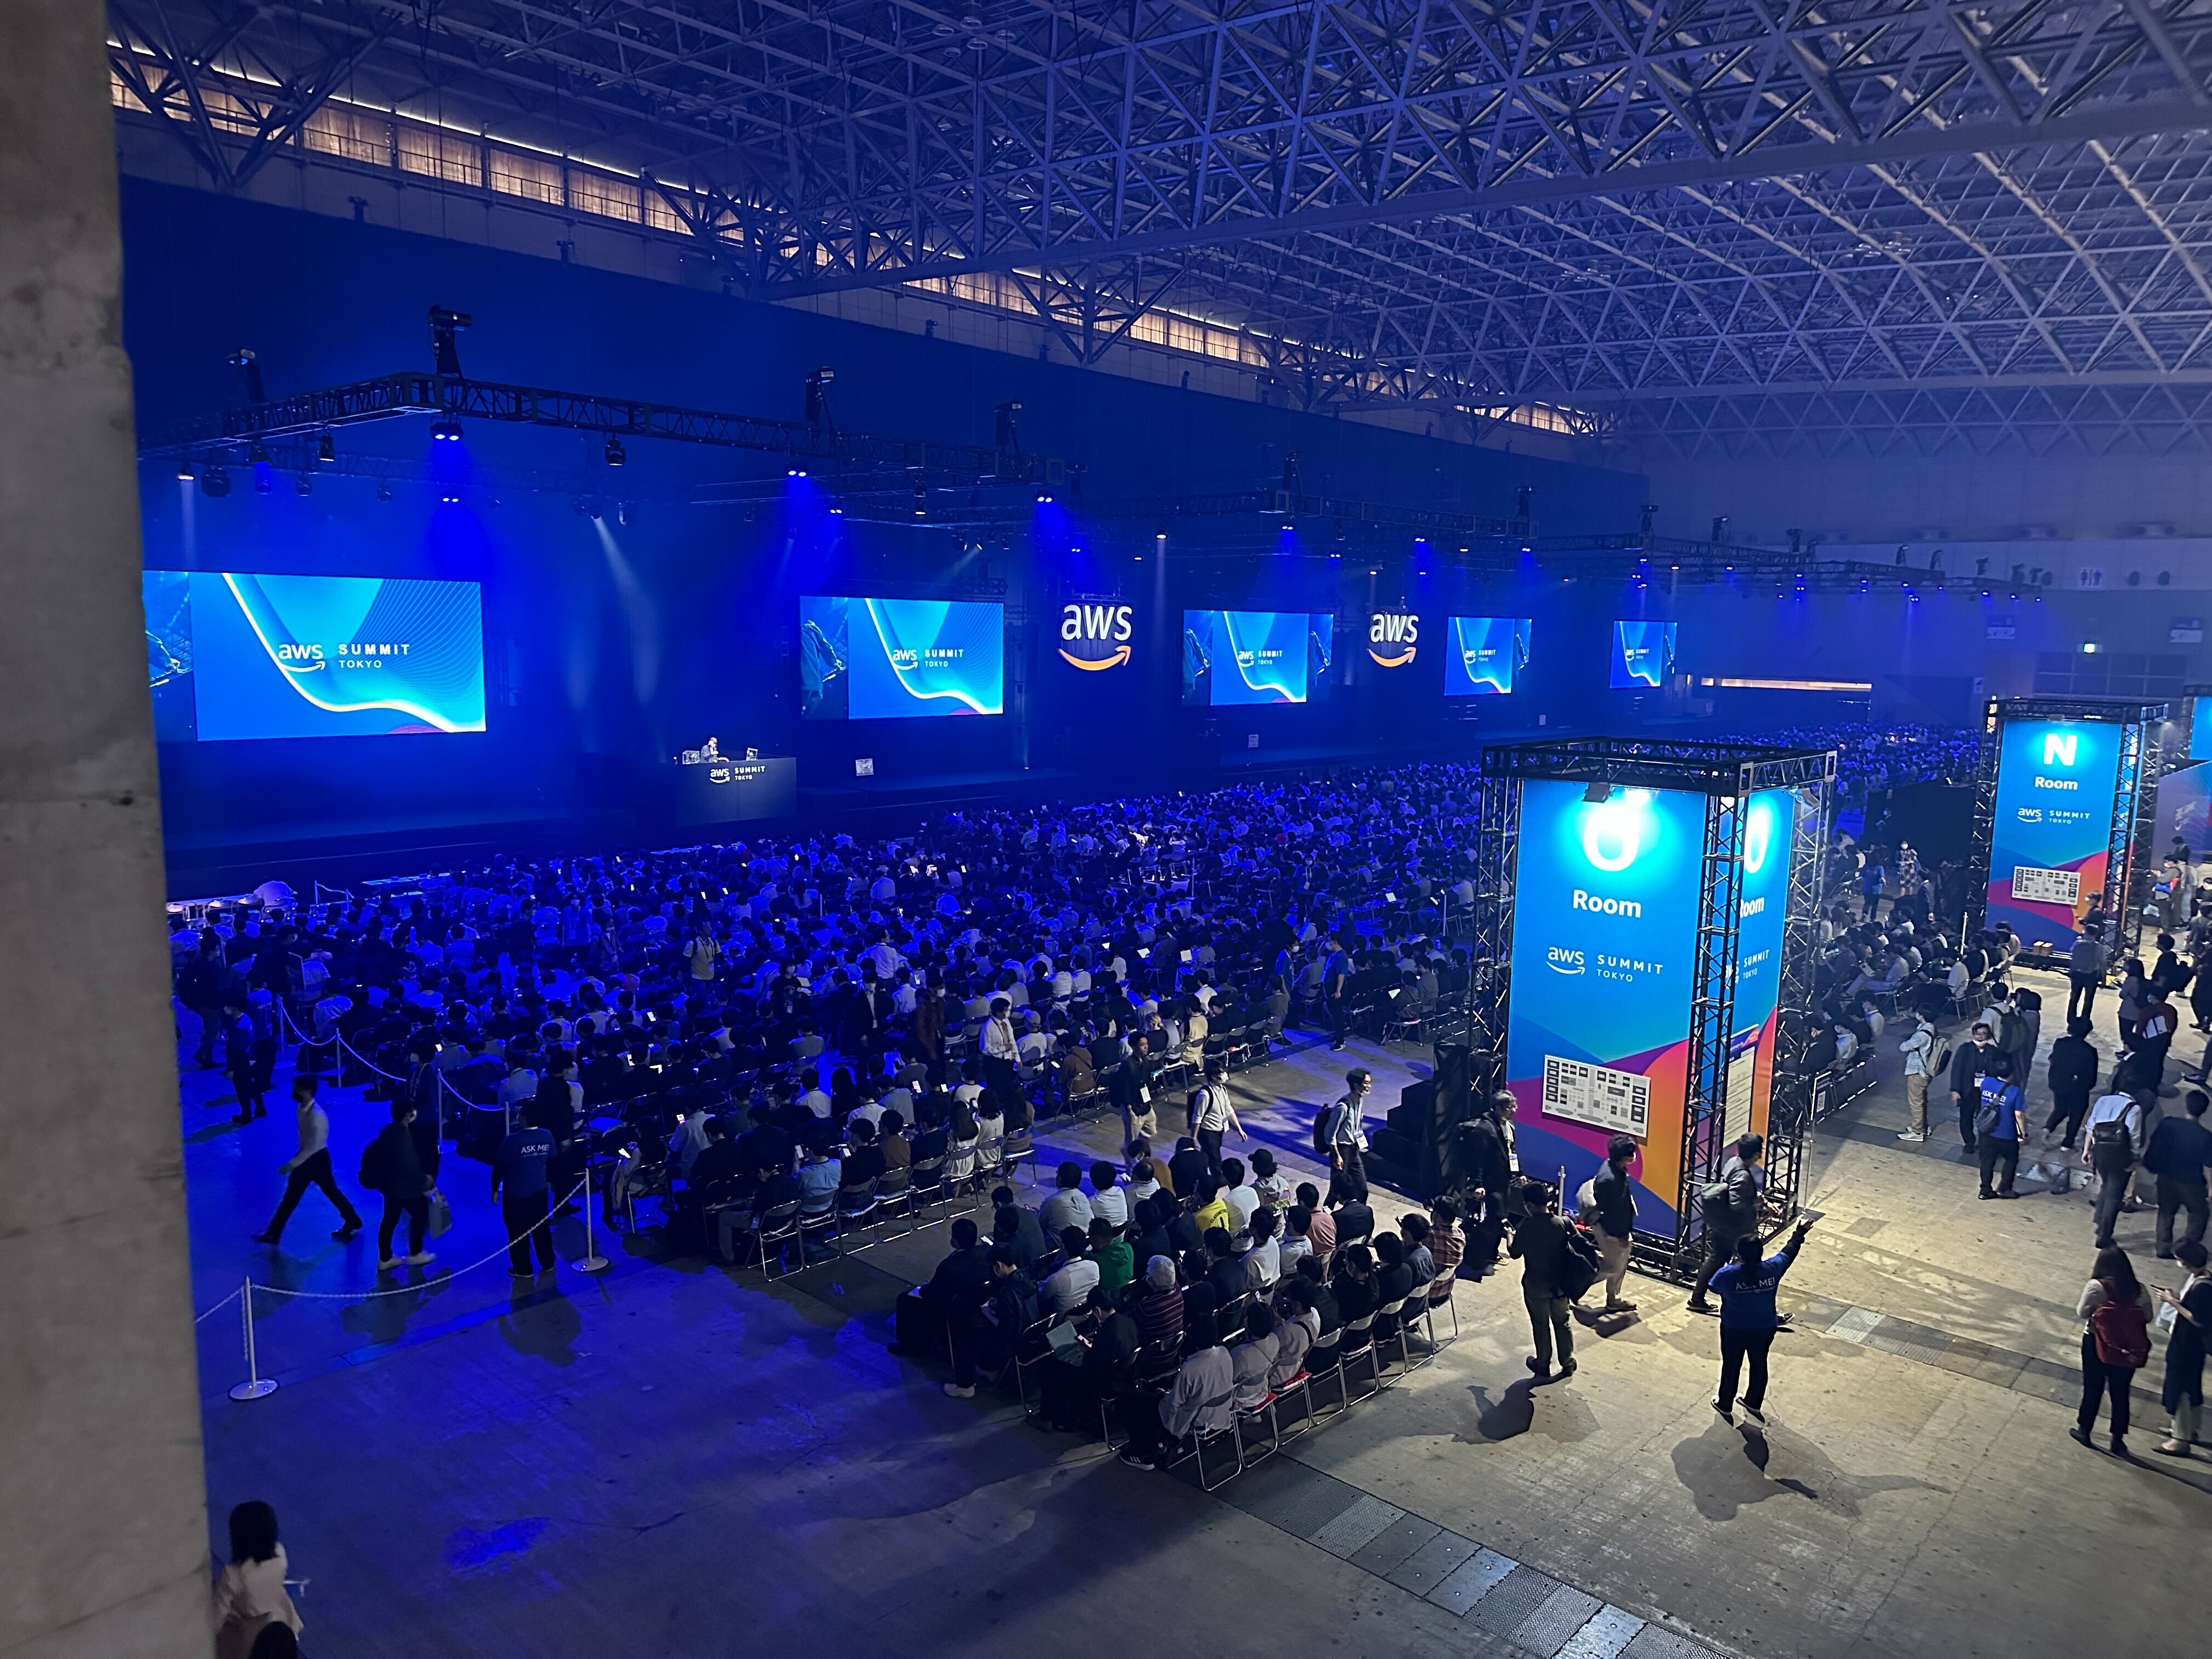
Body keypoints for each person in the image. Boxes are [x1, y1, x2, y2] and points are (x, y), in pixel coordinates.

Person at [1709, 1214, 1815, 1424]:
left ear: (1739, 1253)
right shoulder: (1772, 1269)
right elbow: (1789, 1252)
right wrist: (1800, 1233)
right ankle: (1753, 1402)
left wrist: (1735, 1267)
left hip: (1734, 1328)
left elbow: (1713, 1286)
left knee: (1731, 1365)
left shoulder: (1727, 1275)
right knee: (1759, 1363)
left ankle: (1725, 1404)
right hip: (1764, 1327)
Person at [251, 1073, 363, 1245]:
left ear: (308, 1091)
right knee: (330, 1191)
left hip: (313, 1159)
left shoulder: (317, 1117)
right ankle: (352, 1219)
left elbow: (313, 1147)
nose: (295, 1092)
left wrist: (292, 1164)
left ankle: (274, 1233)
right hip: (315, 1158)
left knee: (292, 1197)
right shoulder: (303, 1109)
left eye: (298, 1089)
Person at [1118, 1311, 1234, 1470]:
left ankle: (1145, 1455)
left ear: (1193, 1338)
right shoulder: (1225, 1354)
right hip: (1220, 1413)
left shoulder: (1190, 1370)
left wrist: (1163, 1396)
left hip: (1195, 1420)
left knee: (1139, 1402)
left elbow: (1172, 1406)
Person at [2073, 1245, 2154, 1457]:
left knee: (2093, 1387)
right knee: (2121, 1392)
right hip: (2128, 1347)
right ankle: (2118, 1440)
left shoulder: (2096, 1287)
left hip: (2097, 1342)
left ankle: (2085, 1430)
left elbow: (2082, 1312)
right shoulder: (2139, 1289)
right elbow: (2148, 1317)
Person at [210, 1500, 303, 1659]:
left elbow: (217, 1616)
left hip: (248, 1627)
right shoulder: (280, 1554)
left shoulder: (234, 1575)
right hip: (276, 1611)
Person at [1688, 1134, 1766, 1314]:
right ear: (1756, 1154)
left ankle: (1697, 1298)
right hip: (1736, 1229)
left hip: (1722, 1224)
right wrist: (1755, 1202)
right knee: (1751, 1264)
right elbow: (1736, 1203)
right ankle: (1759, 1309)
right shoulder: (1743, 1175)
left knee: (1717, 1258)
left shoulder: (1732, 1162)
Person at [1508, 1178, 1576, 1380]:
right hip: (1561, 1285)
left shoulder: (1526, 1227)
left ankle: (1543, 1363)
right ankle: (1567, 1362)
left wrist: (1510, 1236)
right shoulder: (1563, 1223)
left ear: (1529, 1205)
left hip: (1536, 1284)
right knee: (1562, 1322)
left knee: (1540, 1323)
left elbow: (1514, 1253)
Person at [360, 1099, 435, 1271]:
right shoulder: (402, 1137)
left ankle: (385, 1258)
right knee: (421, 1214)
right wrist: (423, 1180)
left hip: (389, 1187)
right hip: (404, 1189)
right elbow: (408, 1166)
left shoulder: (389, 1132)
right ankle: (415, 1253)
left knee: (390, 1220)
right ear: (408, 1115)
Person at [2154, 1240, 2212, 1457]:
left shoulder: (2202, 1287)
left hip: (2187, 1345)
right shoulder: (2203, 1278)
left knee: (2180, 1388)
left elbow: (2197, 1319)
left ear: (2187, 1261)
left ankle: (2180, 1439)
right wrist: (2178, 1299)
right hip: (2192, 1345)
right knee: (2190, 1386)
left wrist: (2171, 1302)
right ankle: (2188, 1429)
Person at [490, 1105, 558, 1278]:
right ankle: (548, 1262)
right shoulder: (547, 1136)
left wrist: (494, 1188)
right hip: (540, 1191)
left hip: (516, 1195)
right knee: (541, 1228)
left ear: (525, 1118)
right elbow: (553, 1162)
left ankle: (523, 1269)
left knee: (517, 1231)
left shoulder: (512, 1141)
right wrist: (550, 1182)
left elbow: (499, 1166)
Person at [2143, 1089, 2212, 1256]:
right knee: (2199, 1213)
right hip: (2192, 1182)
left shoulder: (2168, 1124)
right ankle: (2187, 1248)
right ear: (2204, 1110)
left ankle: (2163, 1248)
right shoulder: (2206, 1137)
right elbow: (2209, 1164)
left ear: (2186, 1105)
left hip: (2166, 1178)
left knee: (2166, 1212)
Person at [2085, 1088, 2146, 1249]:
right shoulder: (2134, 1108)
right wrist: (2135, 1158)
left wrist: (2087, 1150)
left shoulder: (2103, 1100)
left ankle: (2099, 1220)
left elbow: (2091, 1127)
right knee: (2114, 1195)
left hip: (2100, 1152)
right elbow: (2134, 1136)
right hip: (2120, 1156)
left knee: (2106, 1185)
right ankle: (2104, 1236)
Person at [1585, 1135, 1639, 1312]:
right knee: (1613, 1266)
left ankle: (1614, 1299)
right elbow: (1613, 1213)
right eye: (1631, 1153)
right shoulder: (1610, 1180)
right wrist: (1621, 1235)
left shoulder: (1614, 1168)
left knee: (1617, 1264)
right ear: (1624, 1157)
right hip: (1611, 1230)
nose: (1634, 1156)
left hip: (1615, 1227)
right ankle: (1574, 1286)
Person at [1318, 1066, 1373, 1206]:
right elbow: (1330, 1134)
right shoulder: (1343, 1107)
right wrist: (1337, 1155)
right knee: (1335, 1191)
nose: (1369, 1086)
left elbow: (1357, 1126)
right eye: (1366, 1083)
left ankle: (1359, 1214)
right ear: (1356, 1085)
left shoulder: (1359, 1101)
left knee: (1362, 1190)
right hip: (1342, 1150)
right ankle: (1326, 1215)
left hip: (1354, 1149)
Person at [1950, 1021, 2008, 1153]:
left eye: (1984, 1034)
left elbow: (2002, 1067)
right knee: (1966, 1118)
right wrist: (1955, 1090)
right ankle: (1969, 1142)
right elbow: (1957, 1070)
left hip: (1986, 1091)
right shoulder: (1965, 1049)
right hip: (1968, 1090)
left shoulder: (1993, 1051)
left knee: (1987, 1118)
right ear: (1973, 1034)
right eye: (1978, 1033)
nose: (1981, 1036)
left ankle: (1985, 1143)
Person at [2046, 1017, 2100, 1151]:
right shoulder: (2090, 1051)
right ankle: (2067, 1142)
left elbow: (2054, 1060)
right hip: (2079, 1087)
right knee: (2077, 1113)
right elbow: (2091, 1074)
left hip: (2059, 1083)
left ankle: (2047, 1128)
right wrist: (2088, 1086)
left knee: (2061, 1108)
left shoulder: (2060, 1043)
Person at [1187, 1058, 1244, 1182]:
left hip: (1219, 1131)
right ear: (1213, 1076)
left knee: (1208, 1156)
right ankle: (1219, 1184)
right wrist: (1193, 1139)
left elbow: (1229, 1109)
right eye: (1221, 1073)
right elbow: (1197, 1119)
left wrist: (1239, 1129)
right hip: (1208, 1133)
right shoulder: (1205, 1095)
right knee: (1216, 1162)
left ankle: (1202, 1175)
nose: (1225, 1075)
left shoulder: (1222, 1089)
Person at [1974, 1067, 2025, 1200]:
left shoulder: (1986, 1082)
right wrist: (2023, 1133)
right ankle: (2005, 1189)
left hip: (1987, 1131)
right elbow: (2019, 1115)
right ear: (2012, 1074)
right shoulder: (2015, 1092)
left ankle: (1985, 1190)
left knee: (1987, 1161)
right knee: (2011, 1160)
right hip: (2007, 1134)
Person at [1896, 1011, 1936, 1142]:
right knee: (1922, 1100)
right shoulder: (1931, 1028)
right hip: (1926, 1070)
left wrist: (1907, 1042)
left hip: (1918, 1071)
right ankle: (1923, 1127)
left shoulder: (1921, 1034)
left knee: (1916, 1102)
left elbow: (1904, 1047)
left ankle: (1917, 1132)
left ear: (1921, 1015)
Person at [2069, 929, 2109, 1020]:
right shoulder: (2098, 947)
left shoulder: (2077, 944)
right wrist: (2104, 979)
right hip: (2091, 975)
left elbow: (2073, 956)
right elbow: (2103, 964)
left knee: (2074, 997)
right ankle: (2085, 1018)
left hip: (2077, 974)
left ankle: (2071, 1017)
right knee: (2089, 999)